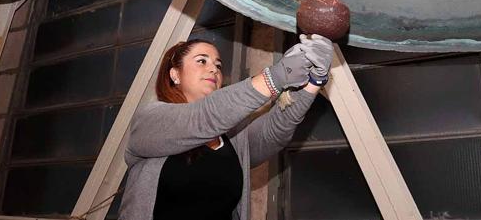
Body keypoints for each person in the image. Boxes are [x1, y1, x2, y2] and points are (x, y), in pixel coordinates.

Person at [118, 33, 333, 220]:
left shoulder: (233, 138)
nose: (214, 68)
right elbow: (204, 117)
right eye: (202, 61)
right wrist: (278, 76)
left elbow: (274, 131)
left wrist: (312, 82)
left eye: (218, 65)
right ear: (175, 74)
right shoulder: (150, 120)